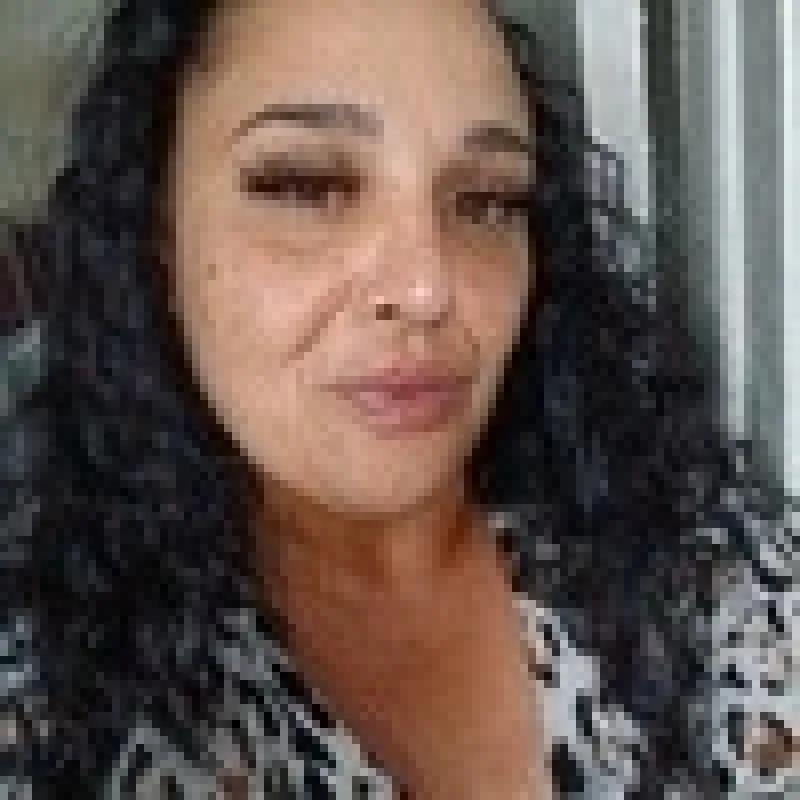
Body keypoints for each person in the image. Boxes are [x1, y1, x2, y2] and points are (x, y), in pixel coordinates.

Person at [1, 0, 797, 796]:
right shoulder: (52, 701)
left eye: (486, 200)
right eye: (307, 186)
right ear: (158, 240)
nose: (425, 288)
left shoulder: (705, 579)